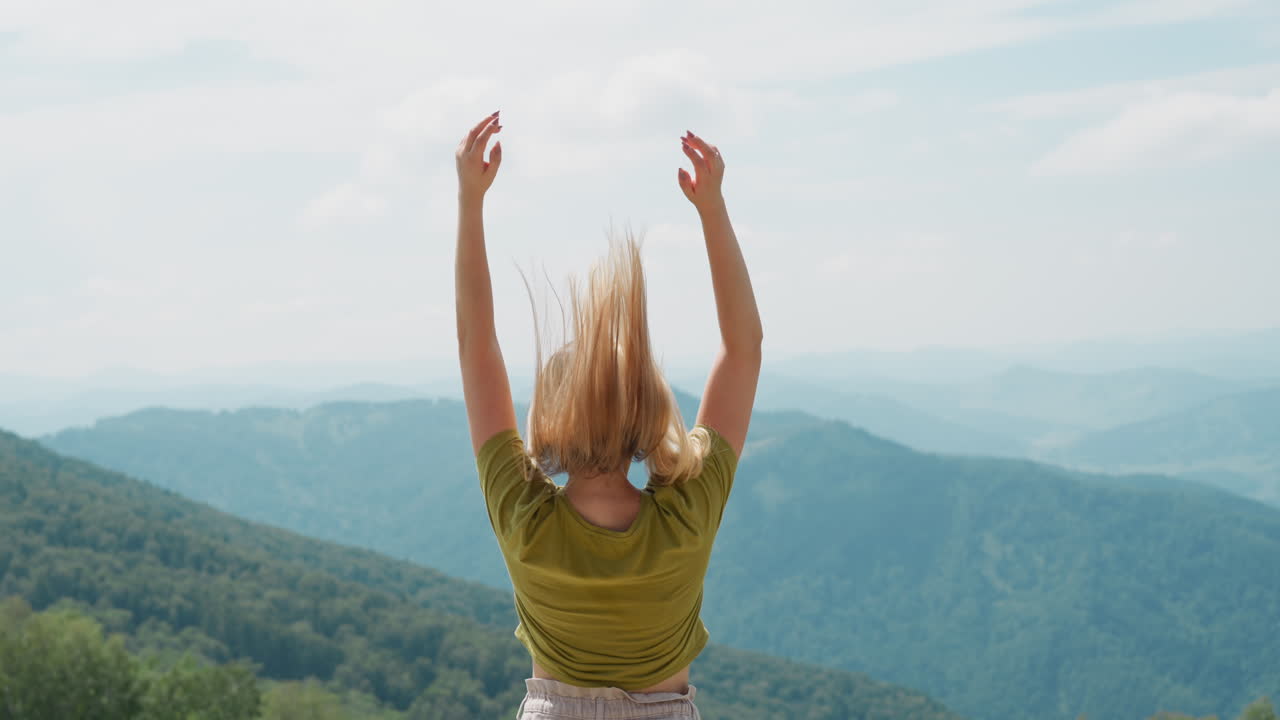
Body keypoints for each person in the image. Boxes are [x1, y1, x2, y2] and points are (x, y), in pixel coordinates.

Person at [453, 109, 762, 720]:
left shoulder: (523, 515)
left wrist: (470, 202)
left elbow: (475, 347)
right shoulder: (687, 514)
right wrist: (712, 209)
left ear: (549, 417)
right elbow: (743, 349)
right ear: (647, 412)